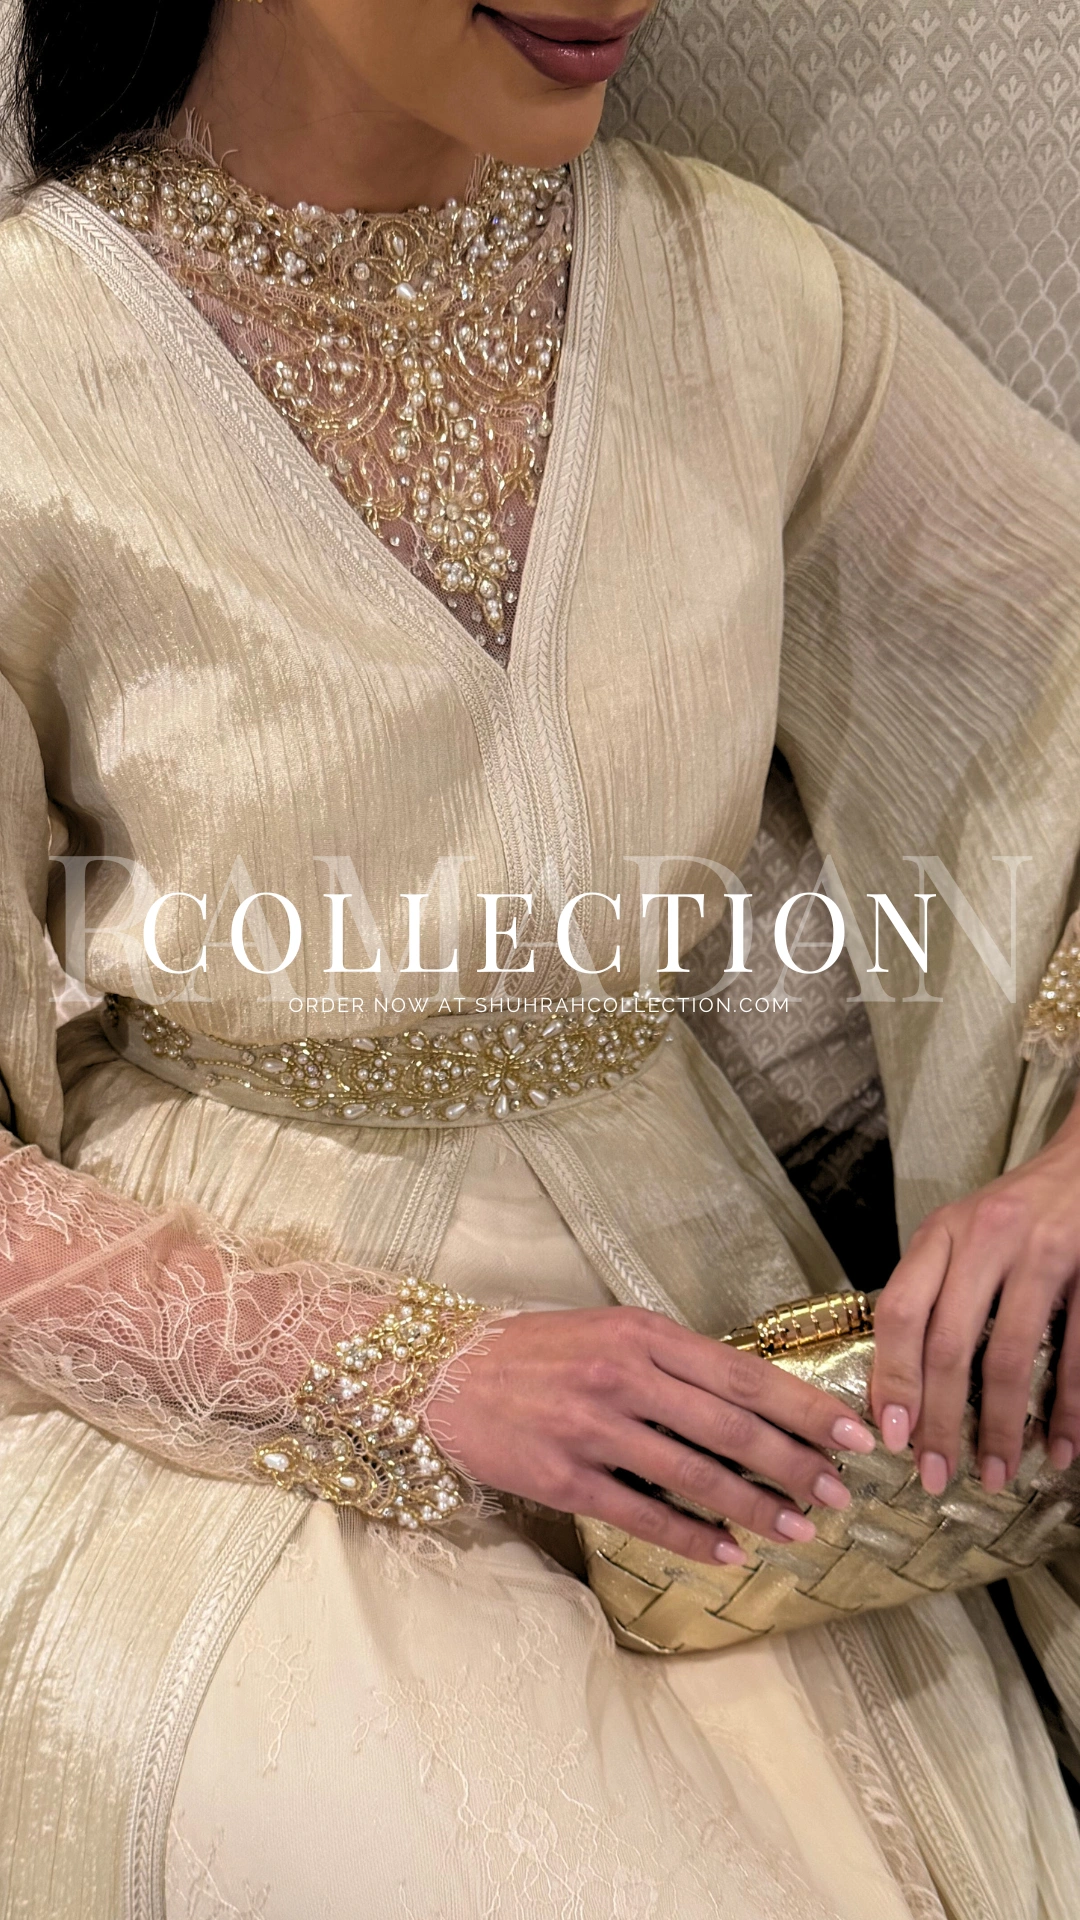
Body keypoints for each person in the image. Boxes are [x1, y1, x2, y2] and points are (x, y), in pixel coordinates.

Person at [2, 1, 1080, 1914]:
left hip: (722, 1358)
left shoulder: (737, 294)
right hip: (230, 1387)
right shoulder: (31, 363)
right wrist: (397, 1373)